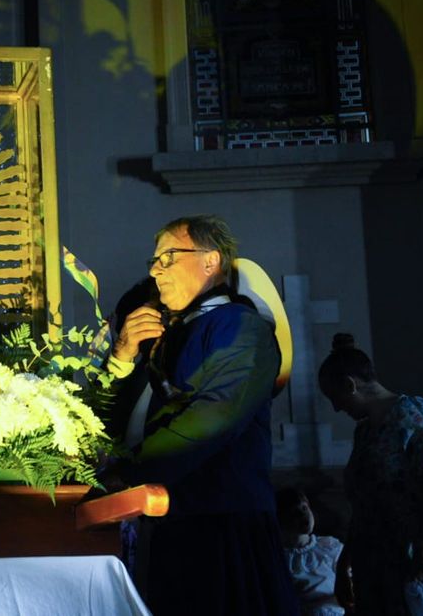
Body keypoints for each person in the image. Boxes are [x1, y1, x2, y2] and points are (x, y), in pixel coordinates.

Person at [107, 214, 297, 616]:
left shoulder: (240, 327)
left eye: (168, 257)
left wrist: (124, 471)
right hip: (166, 521)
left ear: (210, 261)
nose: (156, 270)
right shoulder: (166, 334)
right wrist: (121, 358)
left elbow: (212, 418)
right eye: (153, 261)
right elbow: (109, 423)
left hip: (221, 521)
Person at [319, 334, 423, 616]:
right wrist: (345, 560)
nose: (338, 408)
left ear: (351, 385)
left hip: (417, 545)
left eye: (335, 398)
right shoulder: (365, 432)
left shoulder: (412, 414)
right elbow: (364, 502)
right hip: (377, 552)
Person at [277, 487, 346, 616]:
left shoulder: (328, 546)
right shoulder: (280, 558)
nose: (303, 515)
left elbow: (347, 578)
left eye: (304, 508)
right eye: (294, 513)